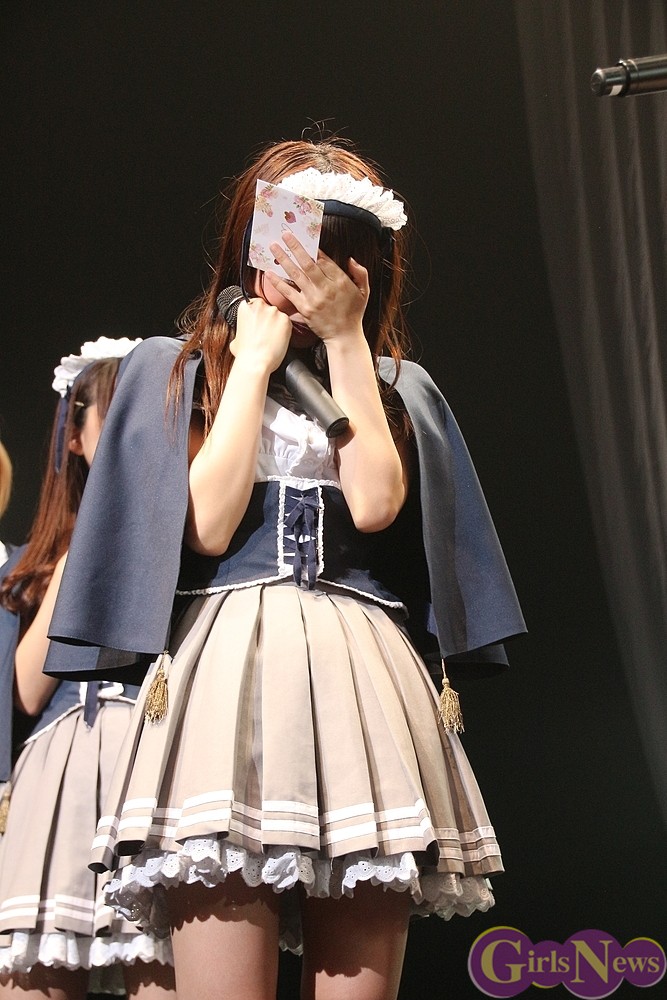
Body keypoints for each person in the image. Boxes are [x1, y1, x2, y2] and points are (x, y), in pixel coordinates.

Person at [47, 139, 526, 1000]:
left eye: (333, 261)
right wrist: (252, 364)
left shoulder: (393, 385)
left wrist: (344, 343)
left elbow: (374, 504)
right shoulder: (177, 369)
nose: (305, 280)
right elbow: (208, 523)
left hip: (360, 677)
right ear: (252, 250)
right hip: (229, 672)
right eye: (290, 251)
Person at [0, 341, 175, 1000]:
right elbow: (23, 692)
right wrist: (87, 551)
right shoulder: (28, 569)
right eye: (118, 409)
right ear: (74, 436)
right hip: (61, 769)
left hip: (157, 764)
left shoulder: (192, 545)